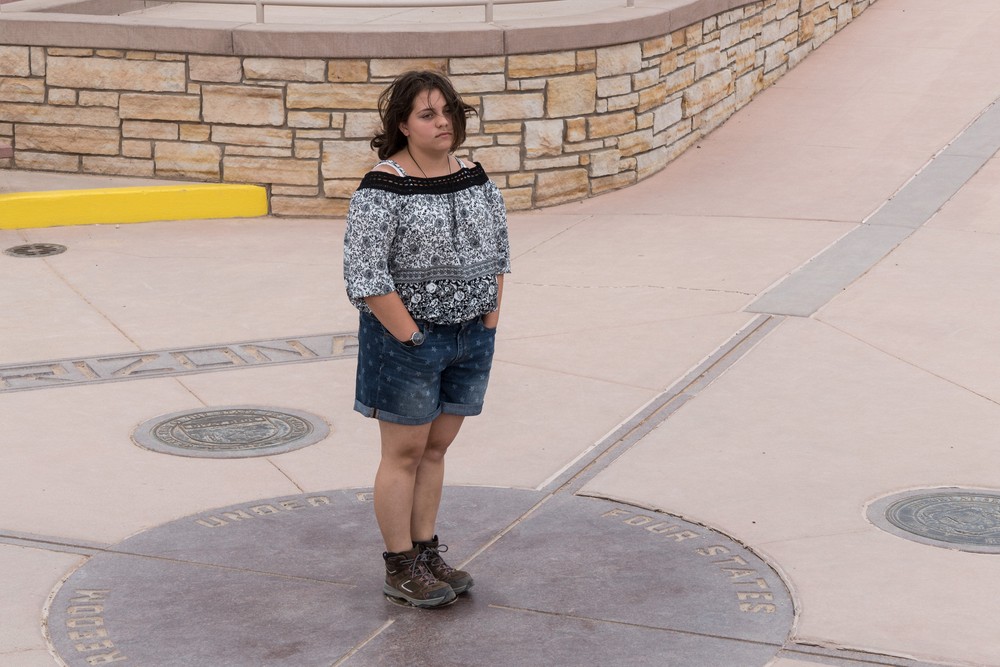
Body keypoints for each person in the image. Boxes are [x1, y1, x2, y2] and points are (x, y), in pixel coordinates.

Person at [343, 70, 511, 608]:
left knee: (436, 448)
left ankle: (424, 550)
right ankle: (399, 567)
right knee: (405, 452)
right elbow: (365, 274)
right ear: (403, 125)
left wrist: (488, 320)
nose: (443, 123)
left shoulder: (475, 175)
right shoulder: (383, 185)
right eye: (428, 114)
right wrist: (411, 336)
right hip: (408, 343)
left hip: (470, 338)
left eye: (448, 112)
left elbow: (500, 251)